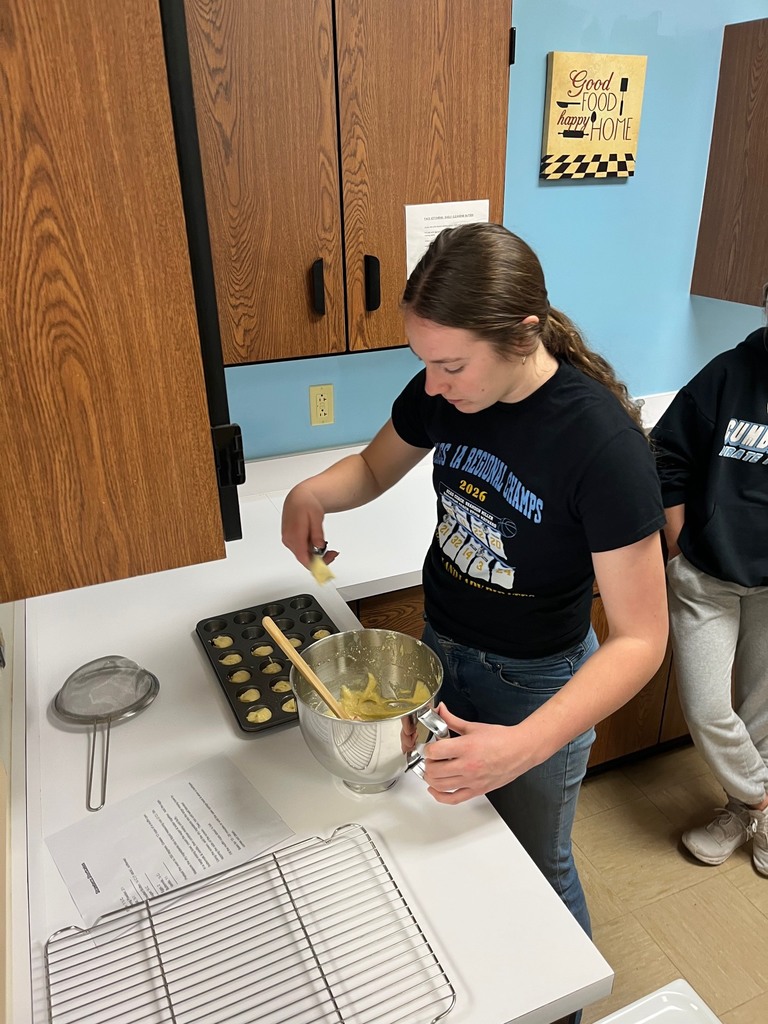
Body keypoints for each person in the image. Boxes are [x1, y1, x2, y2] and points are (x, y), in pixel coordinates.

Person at [281, 223, 668, 945]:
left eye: (451, 365)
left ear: (523, 336)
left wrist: (522, 745)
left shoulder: (600, 446)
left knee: (536, 866)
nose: (432, 384)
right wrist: (314, 492)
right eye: (424, 362)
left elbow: (642, 639)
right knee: (459, 845)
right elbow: (371, 469)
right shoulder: (446, 392)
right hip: (442, 652)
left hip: (537, 688)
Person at [650, 287, 768, 876]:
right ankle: (762, 803)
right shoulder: (728, 374)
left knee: (761, 710)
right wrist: (677, 546)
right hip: (707, 576)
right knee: (706, 708)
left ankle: (740, 811)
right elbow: (666, 456)